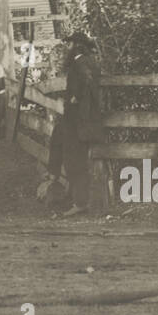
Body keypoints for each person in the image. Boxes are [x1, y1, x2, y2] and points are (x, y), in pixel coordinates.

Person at [37, 30, 105, 216]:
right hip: (74, 117)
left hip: (79, 118)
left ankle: (80, 203)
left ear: (77, 46)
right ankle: (54, 175)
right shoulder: (87, 61)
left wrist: (76, 97)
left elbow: (86, 81)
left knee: (75, 161)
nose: (67, 47)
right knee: (58, 137)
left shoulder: (81, 62)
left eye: (70, 44)